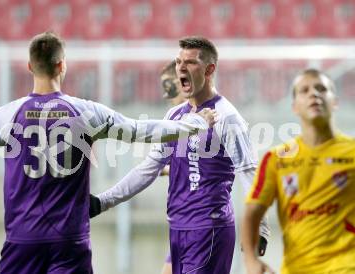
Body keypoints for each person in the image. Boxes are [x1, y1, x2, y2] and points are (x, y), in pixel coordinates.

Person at [0, 32, 217, 274]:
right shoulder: (85, 111)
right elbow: (139, 130)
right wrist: (192, 124)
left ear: (30, 67)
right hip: (69, 242)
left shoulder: (7, 115)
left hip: (23, 241)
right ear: (62, 66)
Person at [90, 36, 270, 274]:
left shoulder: (227, 117)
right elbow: (150, 167)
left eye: (190, 62)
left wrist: (261, 228)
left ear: (210, 69)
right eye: (178, 61)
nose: (181, 68)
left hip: (209, 229)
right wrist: (104, 201)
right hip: (178, 229)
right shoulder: (175, 116)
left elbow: (248, 172)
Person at [242, 69, 355, 274]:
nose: (314, 94)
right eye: (305, 90)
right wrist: (251, 260)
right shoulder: (276, 158)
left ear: (335, 102)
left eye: (322, 89)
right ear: (294, 107)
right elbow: (252, 212)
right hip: (297, 268)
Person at [159, 60, 186, 274]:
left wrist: (166, 168)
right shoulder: (175, 119)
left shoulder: (199, 117)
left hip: (199, 219)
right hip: (181, 218)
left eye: (169, 86)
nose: (166, 94)